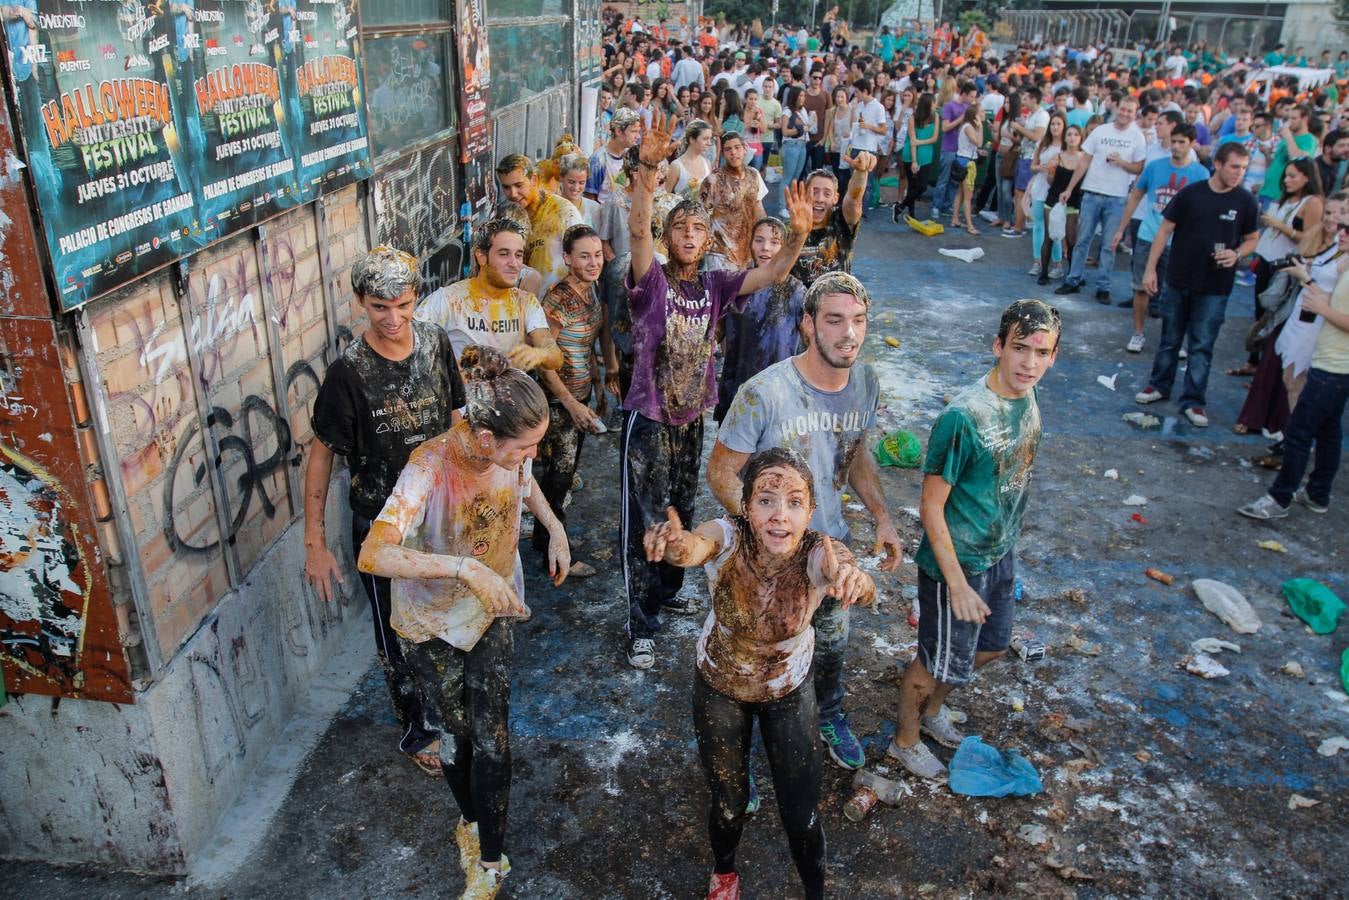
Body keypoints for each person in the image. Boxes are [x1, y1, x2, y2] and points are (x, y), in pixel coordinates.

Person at [358, 345, 569, 900]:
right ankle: (472, 826)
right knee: (456, 738)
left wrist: (554, 526)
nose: (532, 455)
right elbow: (373, 554)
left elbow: (525, 479)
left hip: (489, 610)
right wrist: (463, 568)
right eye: (523, 447)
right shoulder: (428, 467)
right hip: (429, 621)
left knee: (494, 738)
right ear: (483, 440)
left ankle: (491, 860)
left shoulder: (510, 454)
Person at [620, 111, 815, 670]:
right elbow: (637, 231)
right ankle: (639, 622)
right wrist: (648, 170)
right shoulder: (651, 282)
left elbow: (772, 275)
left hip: (690, 418)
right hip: (648, 416)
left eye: (697, 229)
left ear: (708, 240)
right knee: (644, 516)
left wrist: (797, 235)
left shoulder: (715, 284)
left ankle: (668, 594)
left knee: (680, 508)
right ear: (668, 236)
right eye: (679, 228)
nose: (687, 235)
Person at [643, 448, 875, 900]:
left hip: (787, 690)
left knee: (801, 814)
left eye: (794, 501)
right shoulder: (729, 535)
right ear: (746, 508)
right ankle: (724, 872)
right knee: (728, 805)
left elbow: (847, 574)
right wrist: (676, 546)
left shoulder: (819, 551)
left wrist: (853, 580)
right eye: (766, 500)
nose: (779, 515)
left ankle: (815, 892)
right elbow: (696, 546)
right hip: (720, 686)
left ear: (810, 510)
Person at [708, 271, 903, 770]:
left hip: (830, 547)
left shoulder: (866, 383)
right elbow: (721, 473)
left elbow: (853, 455)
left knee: (832, 643)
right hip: (766, 559)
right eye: (835, 320)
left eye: (859, 321)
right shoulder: (764, 393)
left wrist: (882, 517)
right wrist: (769, 534)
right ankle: (742, 754)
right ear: (808, 326)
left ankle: (830, 714)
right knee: (757, 656)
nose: (850, 333)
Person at [307, 247, 466, 778]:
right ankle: (419, 728)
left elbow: (456, 418)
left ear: (416, 297)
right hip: (382, 525)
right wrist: (315, 543)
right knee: (397, 630)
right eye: (379, 307)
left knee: (449, 609)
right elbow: (322, 453)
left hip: (442, 513)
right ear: (359, 303)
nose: (393, 319)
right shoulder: (347, 373)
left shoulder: (436, 344)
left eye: (402, 305)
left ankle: (452, 704)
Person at [889, 299, 1061, 779]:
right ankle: (904, 740)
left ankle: (932, 713)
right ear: (998, 346)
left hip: (999, 554)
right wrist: (958, 584)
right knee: (933, 660)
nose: (1029, 363)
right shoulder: (964, 417)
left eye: (1041, 352)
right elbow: (930, 507)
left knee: (992, 647)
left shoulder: (1026, 397)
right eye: (1019, 349)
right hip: (956, 564)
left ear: (1054, 357)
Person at [1135, 143, 1261, 428]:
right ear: (1217, 164)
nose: (1239, 173)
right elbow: (1164, 229)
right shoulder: (1191, 194)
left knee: (1202, 345)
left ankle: (1194, 400)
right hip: (1179, 280)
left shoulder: (1245, 202)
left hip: (1216, 287)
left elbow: (1253, 238)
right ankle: (1159, 385)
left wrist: (1238, 253)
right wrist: (1150, 269)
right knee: (1169, 338)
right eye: (1234, 166)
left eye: (1243, 168)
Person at [1237, 223, 1349, 521]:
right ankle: (1317, 494)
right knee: (1328, 430)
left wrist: (1322, 307)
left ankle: (1279, 498)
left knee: (1298, 431)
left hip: (1335, 367)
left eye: (1348, 229)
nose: (1341, 234)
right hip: (1330, 361)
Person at [532, 225, 608, 575]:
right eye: (584, 256)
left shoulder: (592, 291)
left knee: (564, 472)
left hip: (581, 394)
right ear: (567, 258)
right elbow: (545, 361)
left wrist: (599, 385)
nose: (594, 262)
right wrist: (571, 403)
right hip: (558, 402)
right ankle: (557, 555)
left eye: (597, 254)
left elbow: (588, 344)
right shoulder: (557, 300)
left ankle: (545, 537)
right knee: (559, 476)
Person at [417, 218, 564, 375]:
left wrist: (540, 354)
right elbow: (411, 341)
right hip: (467, 397)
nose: (514, 263)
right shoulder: (449, 299)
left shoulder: (526, 302)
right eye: (504, 254)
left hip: (510, 396)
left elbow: (555, 357)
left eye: (518, 255)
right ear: (481, 257)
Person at [1112, 122, 1208, 352]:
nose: (1175, 146)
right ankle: (1138, 333)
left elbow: (1205, 210)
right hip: (1148, 235)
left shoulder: (1200, 173)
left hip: (1181, 244)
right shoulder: (1154, 167)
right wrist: (1120, 229)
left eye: (1181, 142)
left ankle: (1177, 338)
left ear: (1191, 144)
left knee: (1178, 293)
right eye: (1173, 141)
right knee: (1141, 288)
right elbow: (1135, 196)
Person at [1054, 95, 1147, 302]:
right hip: (1091, 193)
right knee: (1082, 240)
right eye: (1122, 109)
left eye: (1129, 111)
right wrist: (1070, 188)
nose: (1124, 114)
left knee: (1108, 245)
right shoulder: (1100, 131)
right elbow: (1084, 160)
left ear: (1134, 113)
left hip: (1118, 198)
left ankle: (1103, 286)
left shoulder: (1137, 137)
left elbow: (1139, 167)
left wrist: (1122, 162)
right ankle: (1073, 279)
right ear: (1117, 108)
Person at [714, 217, 806, 423]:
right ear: (749, 244)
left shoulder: (796, 290)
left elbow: (811, 344)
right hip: (737, 387)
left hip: (779, 393)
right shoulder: (736, 285)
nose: (766, 248)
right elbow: (715, 333)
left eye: (774, 242)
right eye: (759, 240)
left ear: (785, 248)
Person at [497, 154, 586, 295]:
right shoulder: (508, 217)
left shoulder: (563, 212)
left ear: (534, 179)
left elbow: (584, 260)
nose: (513, 193)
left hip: (560, 306)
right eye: (506, 187)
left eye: (519, 185)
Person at [793, 155, 874, 286]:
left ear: (835, 198)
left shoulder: (840, 223)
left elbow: (854, 201)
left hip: (837, 301)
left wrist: (861, 172)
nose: (819, 199)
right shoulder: (790, 228)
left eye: (827, 193)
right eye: (814, 192)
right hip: (798, 303)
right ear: (804, 193)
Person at [699, 131, 769, 270]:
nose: (733, 152)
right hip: (720, 253)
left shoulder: (754, 175)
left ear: (744, 149)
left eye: (737, 147)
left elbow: (759, 209)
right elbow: (701, 216)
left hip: (747, 250)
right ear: (723, 153)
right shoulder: (713, 180)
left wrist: (766, 237)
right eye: (728, 149)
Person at [931, 81, 977, 221]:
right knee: (944, 179)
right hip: (949, 148)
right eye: (971, 96)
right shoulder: (950, 106)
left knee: (955, 182)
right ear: (963, 94)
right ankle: (936, 207)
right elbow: (945, 128)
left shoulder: (967, 107)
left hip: (961, 150)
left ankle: (947, 206)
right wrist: (961, 119)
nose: (972, 100)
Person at [895, 91, 938, 225]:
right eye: (933, 103)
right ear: (927, 105)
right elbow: (912, 142)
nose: (935, 105)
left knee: (922, 186)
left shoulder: (935, 117)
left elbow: (934, 138)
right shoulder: (913, 118)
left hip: (926, 155)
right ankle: (912, 214)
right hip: (910, 154)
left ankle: (900, 207)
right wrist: (914, 161)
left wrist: (920, 142)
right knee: (913, 185)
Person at [587, 107, 643, 204]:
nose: (638, 137)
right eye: (634, 131)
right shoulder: (598, 161)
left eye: (638, 131)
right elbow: (589, 200)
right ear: (618, 131)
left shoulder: (631, 155)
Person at [558, 153, 601, 227]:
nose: (576, 188)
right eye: (571, 182)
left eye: (581, 183)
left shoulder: (594, 209)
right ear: (561, 177)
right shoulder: (551, 206)